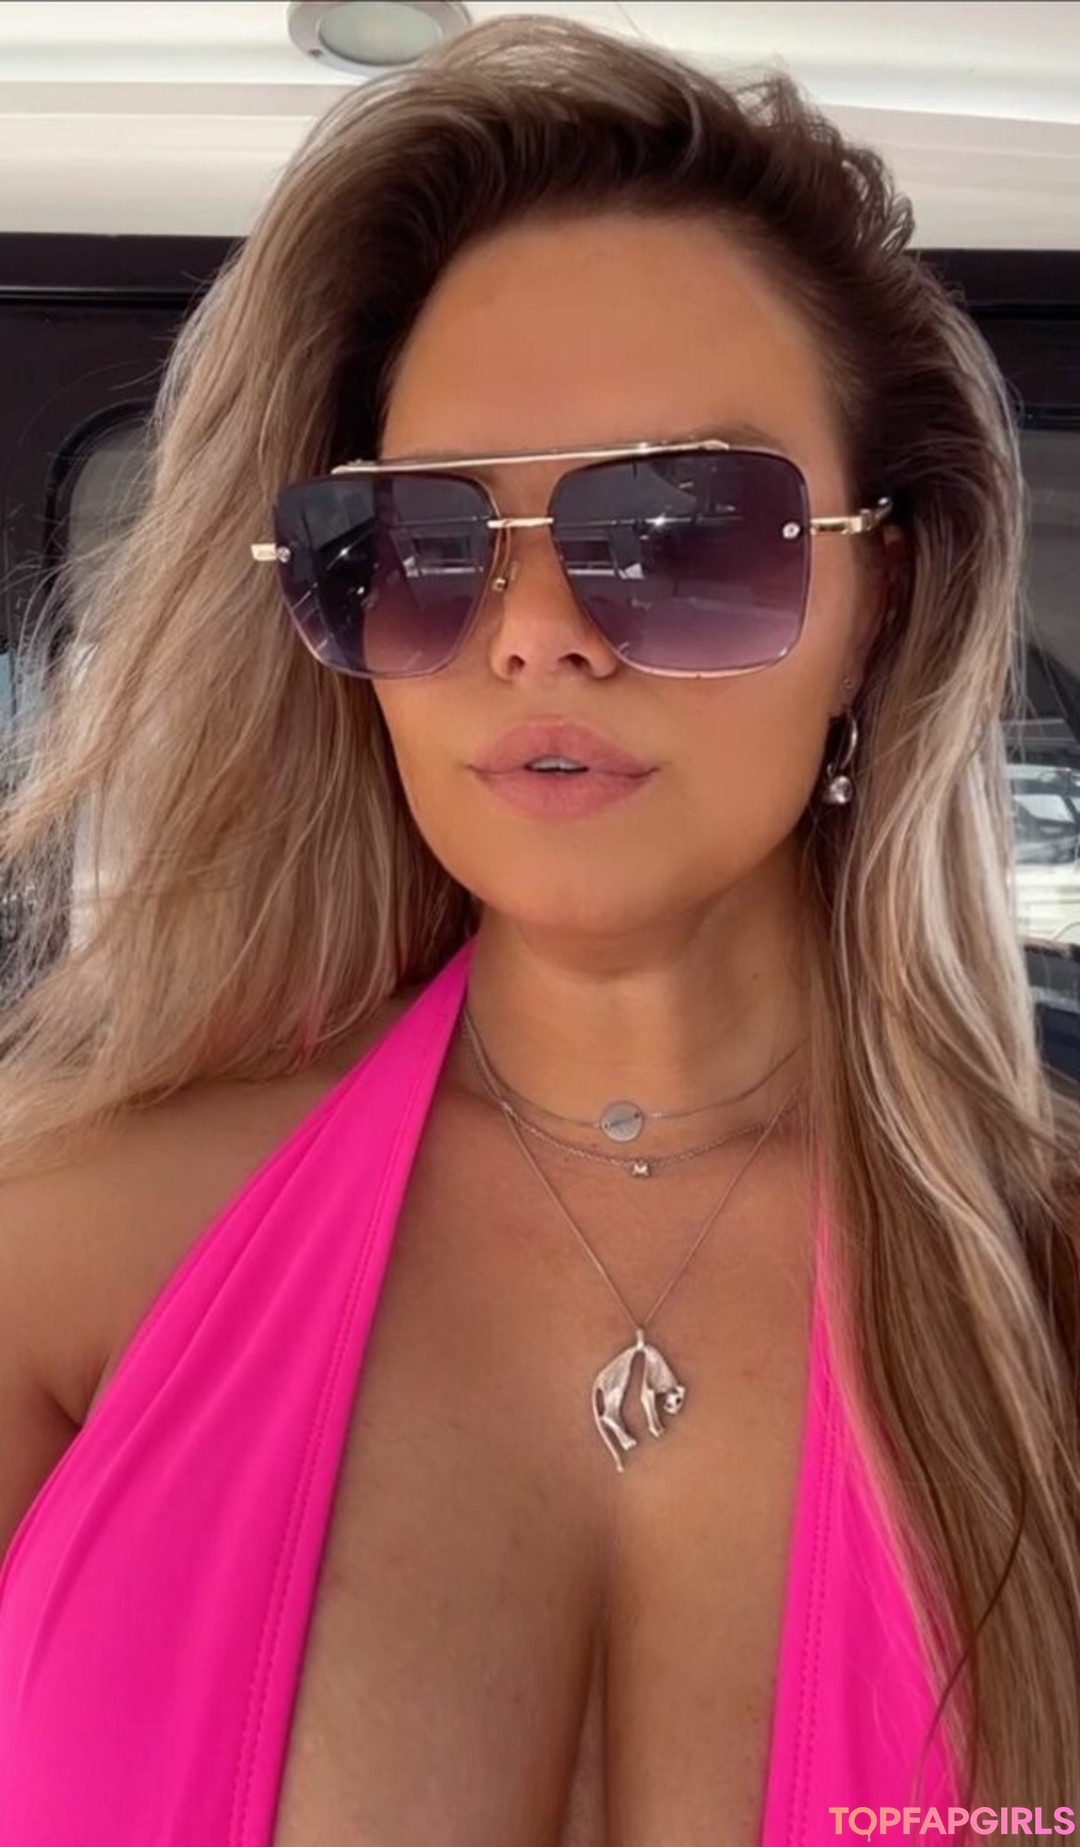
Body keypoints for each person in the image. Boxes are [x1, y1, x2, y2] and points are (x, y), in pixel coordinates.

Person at [0, 11, 1077, 1844]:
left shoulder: (1051, 1302)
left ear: (879, 601)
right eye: (425, 543)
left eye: (685, 530)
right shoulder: (59, 1263)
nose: (534, 634)